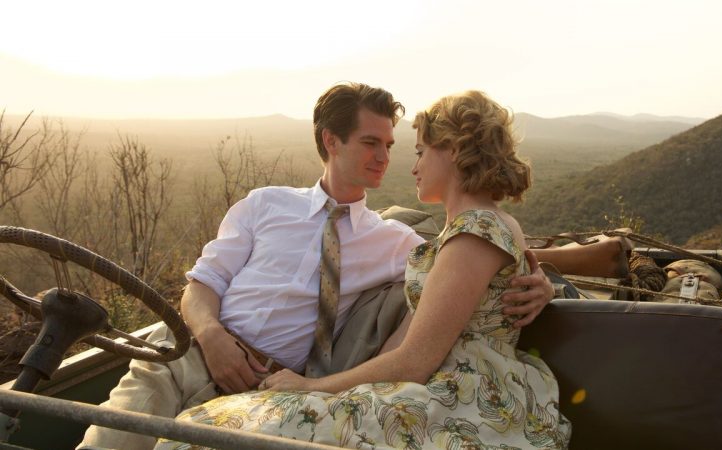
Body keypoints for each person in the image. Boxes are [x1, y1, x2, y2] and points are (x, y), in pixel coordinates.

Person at [79, 83, 555, 450]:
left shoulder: (397, 242)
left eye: (393, 145)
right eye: (371, 143)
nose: (386, 158)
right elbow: (202, 285)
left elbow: (474, 262)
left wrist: (543, 280)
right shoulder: (264, 204)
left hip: (264, 382)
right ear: (331, 140)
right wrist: (212, 335)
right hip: (188, 351)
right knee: (110, 442)